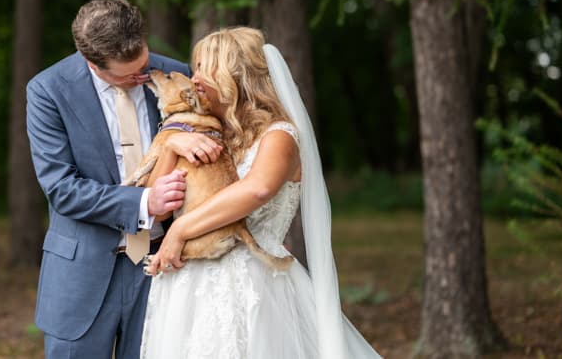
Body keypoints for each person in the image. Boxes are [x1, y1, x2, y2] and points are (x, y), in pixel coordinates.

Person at [140, 27, 382, 358]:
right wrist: (171, 148)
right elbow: (159, 207)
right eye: (194, 67)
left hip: (250, 283)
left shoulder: (279, 135)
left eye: (206, 67)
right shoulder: (208, 134)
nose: (194, 78)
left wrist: (180, 230)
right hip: (189, 284)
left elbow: (256, 190)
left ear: (236, 74)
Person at [26, 0, 222, 359]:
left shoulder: (175, 76)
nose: (142, 76)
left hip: (165, 266)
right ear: (92, 63)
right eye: (128, 74)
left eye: (144, 63)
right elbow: (62, 189)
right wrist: (145, 202)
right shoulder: (48, 91)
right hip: (81, 276)